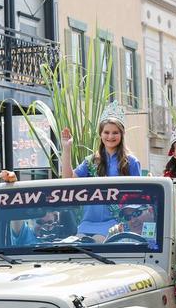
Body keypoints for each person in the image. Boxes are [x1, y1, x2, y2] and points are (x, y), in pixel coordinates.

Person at [60, 101, 141, 237]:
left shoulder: (131, 162)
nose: (110, 136)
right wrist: (67, 148)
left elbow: (139, 197)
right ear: (100, 134)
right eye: (106, 132)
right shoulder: (91, 161)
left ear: (122, 135)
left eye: (115, 133)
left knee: (98, 242)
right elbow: (68, 180)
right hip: (87, 224)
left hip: (117, 225)